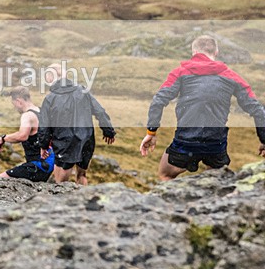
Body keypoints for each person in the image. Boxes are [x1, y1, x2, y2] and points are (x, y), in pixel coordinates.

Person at [140, 35, 265, 180]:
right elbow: (257, 109)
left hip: (185, 141)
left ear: (194, 52)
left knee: (165, 174)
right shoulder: (232, 76)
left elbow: (158, 101)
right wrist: (263, 139)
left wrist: (151, 133)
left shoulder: (180, 72)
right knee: (217, 181)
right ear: (216, 52)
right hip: (215, 143)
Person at [37, 63, 116, 185]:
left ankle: (62, 203)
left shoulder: (50, 98)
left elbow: (44, 126)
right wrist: (108, 131)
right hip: (86, 140)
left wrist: (43, 145)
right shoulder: (83, 91)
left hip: (64, 143)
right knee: (82, 175)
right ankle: (82, 201)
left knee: (60, 183)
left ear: (50, 76)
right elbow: (99, 111)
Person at [0, 86, 55, 182]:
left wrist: (3, 138)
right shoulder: (41, 111)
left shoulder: (27, 115)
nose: (14, 107)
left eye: (14, 104)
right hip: (48, 164)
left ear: (19, 101)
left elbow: (22, 136)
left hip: (37, 166)